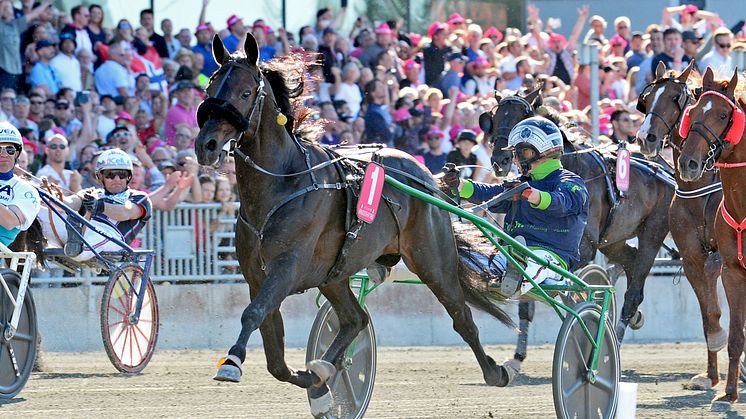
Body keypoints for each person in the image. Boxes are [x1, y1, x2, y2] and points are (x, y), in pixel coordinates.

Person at [443, 116, 589, 297]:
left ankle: (526, 274)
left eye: (522, 152)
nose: (516, 160)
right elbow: (490, 192)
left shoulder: (570, 181)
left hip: (552, 256)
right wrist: (458, 185)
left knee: (537, 263)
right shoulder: (520, 183)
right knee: (463, 258)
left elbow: (561, 202)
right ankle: (514, 271)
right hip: (511, 253)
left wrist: (530, 194)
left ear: (542, 151)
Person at [48, 149, 151, 261]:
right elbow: (69, 203)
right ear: (100, 176)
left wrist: (100, 205)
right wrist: (47, 196)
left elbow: (126, 212)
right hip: (83, 229)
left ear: (128, 177)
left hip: (112, 236)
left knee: (99, 237)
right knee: (43, 213)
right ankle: (31, 244)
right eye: (110, 175)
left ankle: (77, 248)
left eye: (122, 174)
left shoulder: (139, 197)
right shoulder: (92, 193)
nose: (116, 179)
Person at [0, 122, 40, 246]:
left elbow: (10, 222)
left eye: (10, 149)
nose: (4, 153)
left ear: (17, 153)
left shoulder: (26, 190)